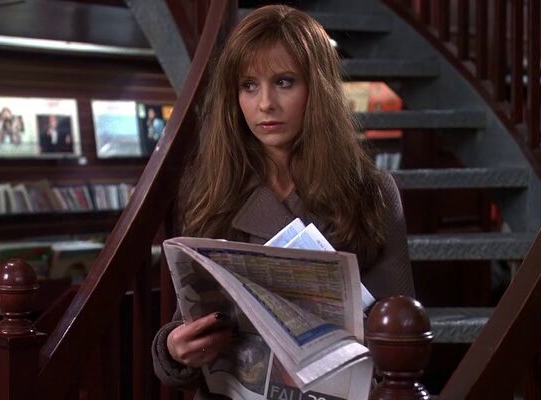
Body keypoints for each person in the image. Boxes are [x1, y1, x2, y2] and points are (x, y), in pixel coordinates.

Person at [151, 5, 414, 398]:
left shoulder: (371, 192)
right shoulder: (213, 192)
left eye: (284, 82)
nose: (265, 104)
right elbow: (186, 328)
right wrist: (174, 349)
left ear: (317, 89)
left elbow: (404, 335)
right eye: (249, 85)